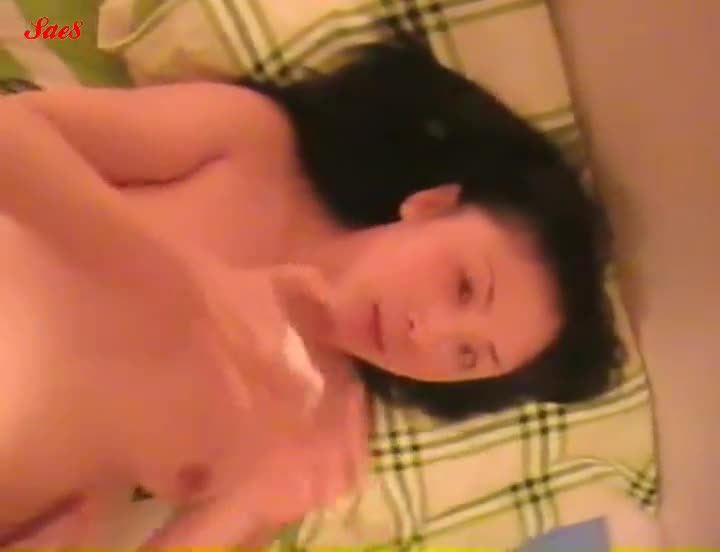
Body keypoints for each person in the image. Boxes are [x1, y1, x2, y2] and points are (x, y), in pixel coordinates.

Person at [0, 34, 623, 547]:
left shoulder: (318, 434)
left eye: (466, 356)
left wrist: (247, 508)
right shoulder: (250, 145)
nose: (426, 333)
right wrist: (189, 287)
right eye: (463, 286)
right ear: (431, 205)